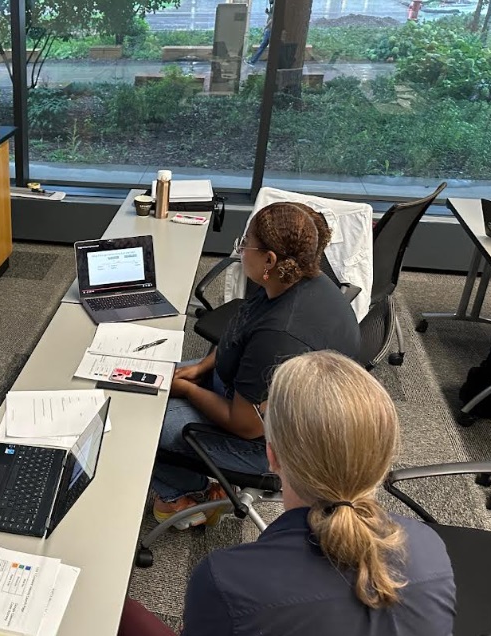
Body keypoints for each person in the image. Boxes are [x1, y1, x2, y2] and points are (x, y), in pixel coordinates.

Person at [119, 351, 456, 636]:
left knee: (119, 611)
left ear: (272, 455)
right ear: (383, 457)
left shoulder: (226, 579)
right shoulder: (431, 547)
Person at [153, 202, 360, 525]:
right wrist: (201, 368)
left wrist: (188, 391)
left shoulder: (281, 334)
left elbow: (245, 425)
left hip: (266, 446)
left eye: (246, 243)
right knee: (143, 382)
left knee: (138, 420)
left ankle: (186, 496)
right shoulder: (296, 281)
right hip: (248, 392)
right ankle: (200, 482)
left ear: (269, 259)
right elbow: (239, 332)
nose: (241, 249)